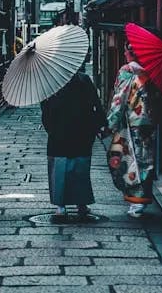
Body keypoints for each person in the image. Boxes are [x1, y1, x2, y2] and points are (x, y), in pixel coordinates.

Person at [41, 68, 106, 217]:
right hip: (81, 131)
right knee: (80, 169)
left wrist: (50, 128)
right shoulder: (83, 79)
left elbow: (45, 109)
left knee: (60, 169)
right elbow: (96, 103)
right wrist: (99, 124)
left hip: (59, 133)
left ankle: (61, 206)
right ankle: (81, 204)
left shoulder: (51, 82)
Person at [106, 42, 157, 218]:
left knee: (129, 161)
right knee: (145, 161)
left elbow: (119, 98)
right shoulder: (148, 71)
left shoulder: (127, 70)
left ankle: (135, 201)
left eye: (127, 51)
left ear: (129, 53)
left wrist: (111, 122)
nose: (125, 53)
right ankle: (140, 201)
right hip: (147, 123)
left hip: (130, 122)